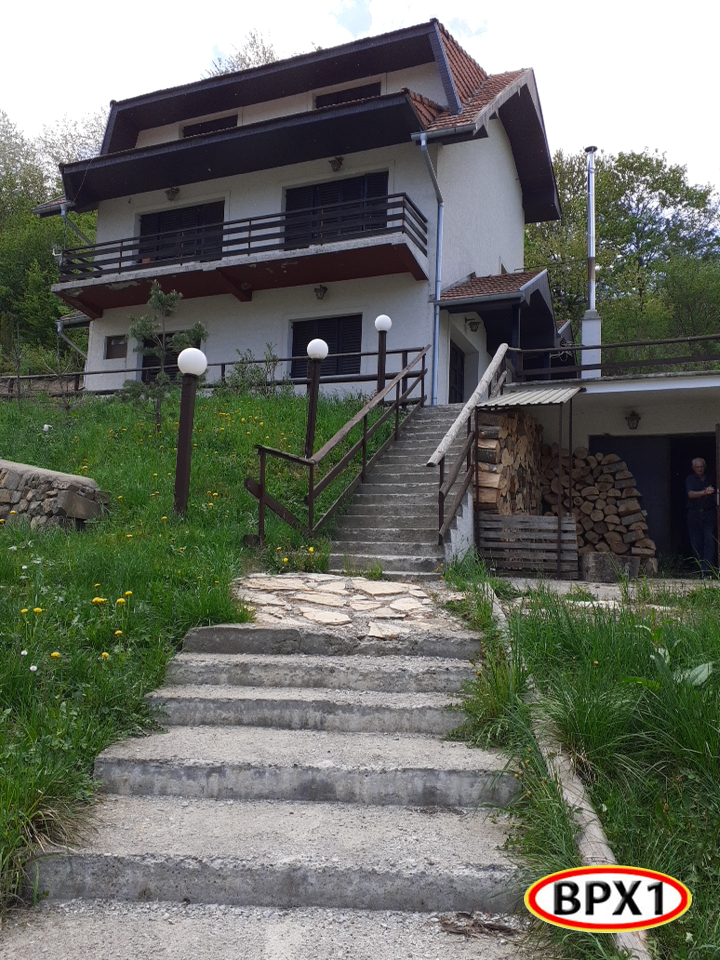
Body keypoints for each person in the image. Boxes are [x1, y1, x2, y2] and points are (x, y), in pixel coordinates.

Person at [685, 458, 717, 576]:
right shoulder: (690, 479)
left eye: (702, 467)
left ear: (705, 467)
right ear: (693, 468)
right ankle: (698, 570)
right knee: (696, 542)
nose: (700, 469)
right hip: (694, 514)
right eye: (697, 467)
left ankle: (707, 570)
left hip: (709, 513)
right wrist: (704, 492)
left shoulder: (711, 478)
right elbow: (690, 494)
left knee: (709, 541)